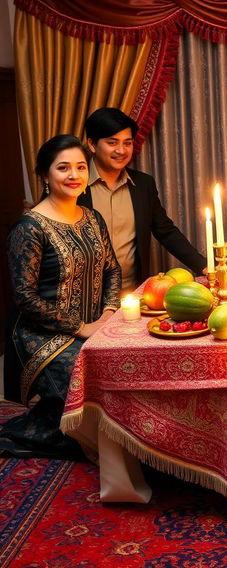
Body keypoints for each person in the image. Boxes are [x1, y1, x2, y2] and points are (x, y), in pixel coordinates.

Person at [1, 135, 121, 458]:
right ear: (45, 175)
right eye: (63, 167)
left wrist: (106, 318)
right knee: (90, 397)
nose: (74, 175)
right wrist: (81, 327)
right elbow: (24, 298)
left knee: (121, 382)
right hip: (42, 336)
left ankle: (50, 418)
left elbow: (112, 270)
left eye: (81, 167)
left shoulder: (92, 218)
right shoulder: (29, 227)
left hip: (96, 325)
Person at [79, 108, 206, 291]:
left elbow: (165, 231)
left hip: (131, 294)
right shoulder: (73, 186)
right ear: (92, 144)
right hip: (85, 299)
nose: (121, 150)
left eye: (127, 143)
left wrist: (203, 265)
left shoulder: (143, 184)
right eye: (112, 143)